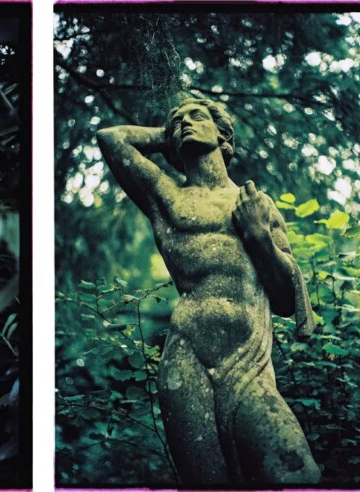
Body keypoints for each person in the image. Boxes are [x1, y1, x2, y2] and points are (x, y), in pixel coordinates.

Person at [96, 98, 319, 483]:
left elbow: (285, 301)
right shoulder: (167, 197)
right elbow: (111, 138)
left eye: (196, 117)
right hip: (187, 354)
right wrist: (167, 135)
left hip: (247, 359)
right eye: (177, 120)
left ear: (223, 135)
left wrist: (258, 237)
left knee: (294, 470)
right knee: (207, 483)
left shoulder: (254, 203)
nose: (185, 123)